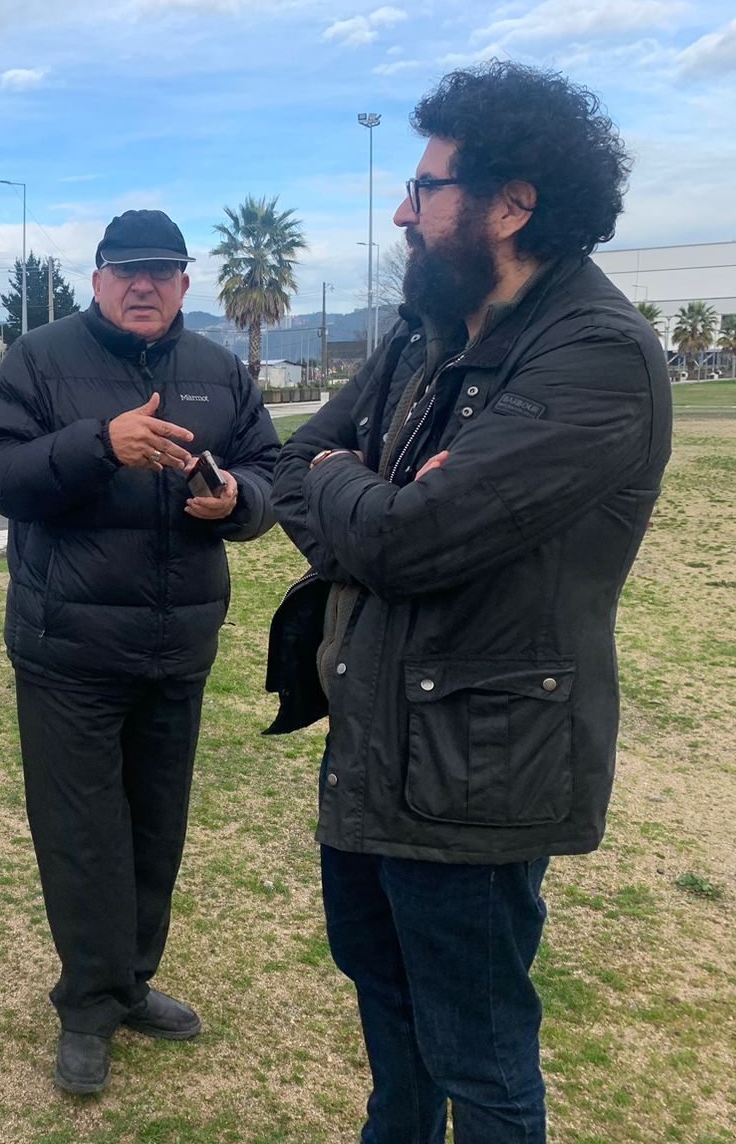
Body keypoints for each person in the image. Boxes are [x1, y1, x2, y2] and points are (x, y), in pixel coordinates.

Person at [270, 61, 673, 1141]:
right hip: (370, 733)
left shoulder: (594, 355)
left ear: (510, 203)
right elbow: (293, 464)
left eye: (426, 185)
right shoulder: (429, 328)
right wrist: (366, 498)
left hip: (476, 772)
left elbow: (402, 543)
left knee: (479, 1053)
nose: (402, 211)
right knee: (389, 1019)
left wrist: (360, 500)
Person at [0, 209, 281, 1095]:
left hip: (176, 647)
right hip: (66, 649)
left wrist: (239, 503)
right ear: (97, 279)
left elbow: (272, 473)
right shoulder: (41, 358)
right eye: (126, 271)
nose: (144, 286)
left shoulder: (218, 370)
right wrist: (99, 445)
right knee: (81, 837)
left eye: (162, 272)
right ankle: (87, 1005)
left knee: (155, 829)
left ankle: (133, 980)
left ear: (187, 283)